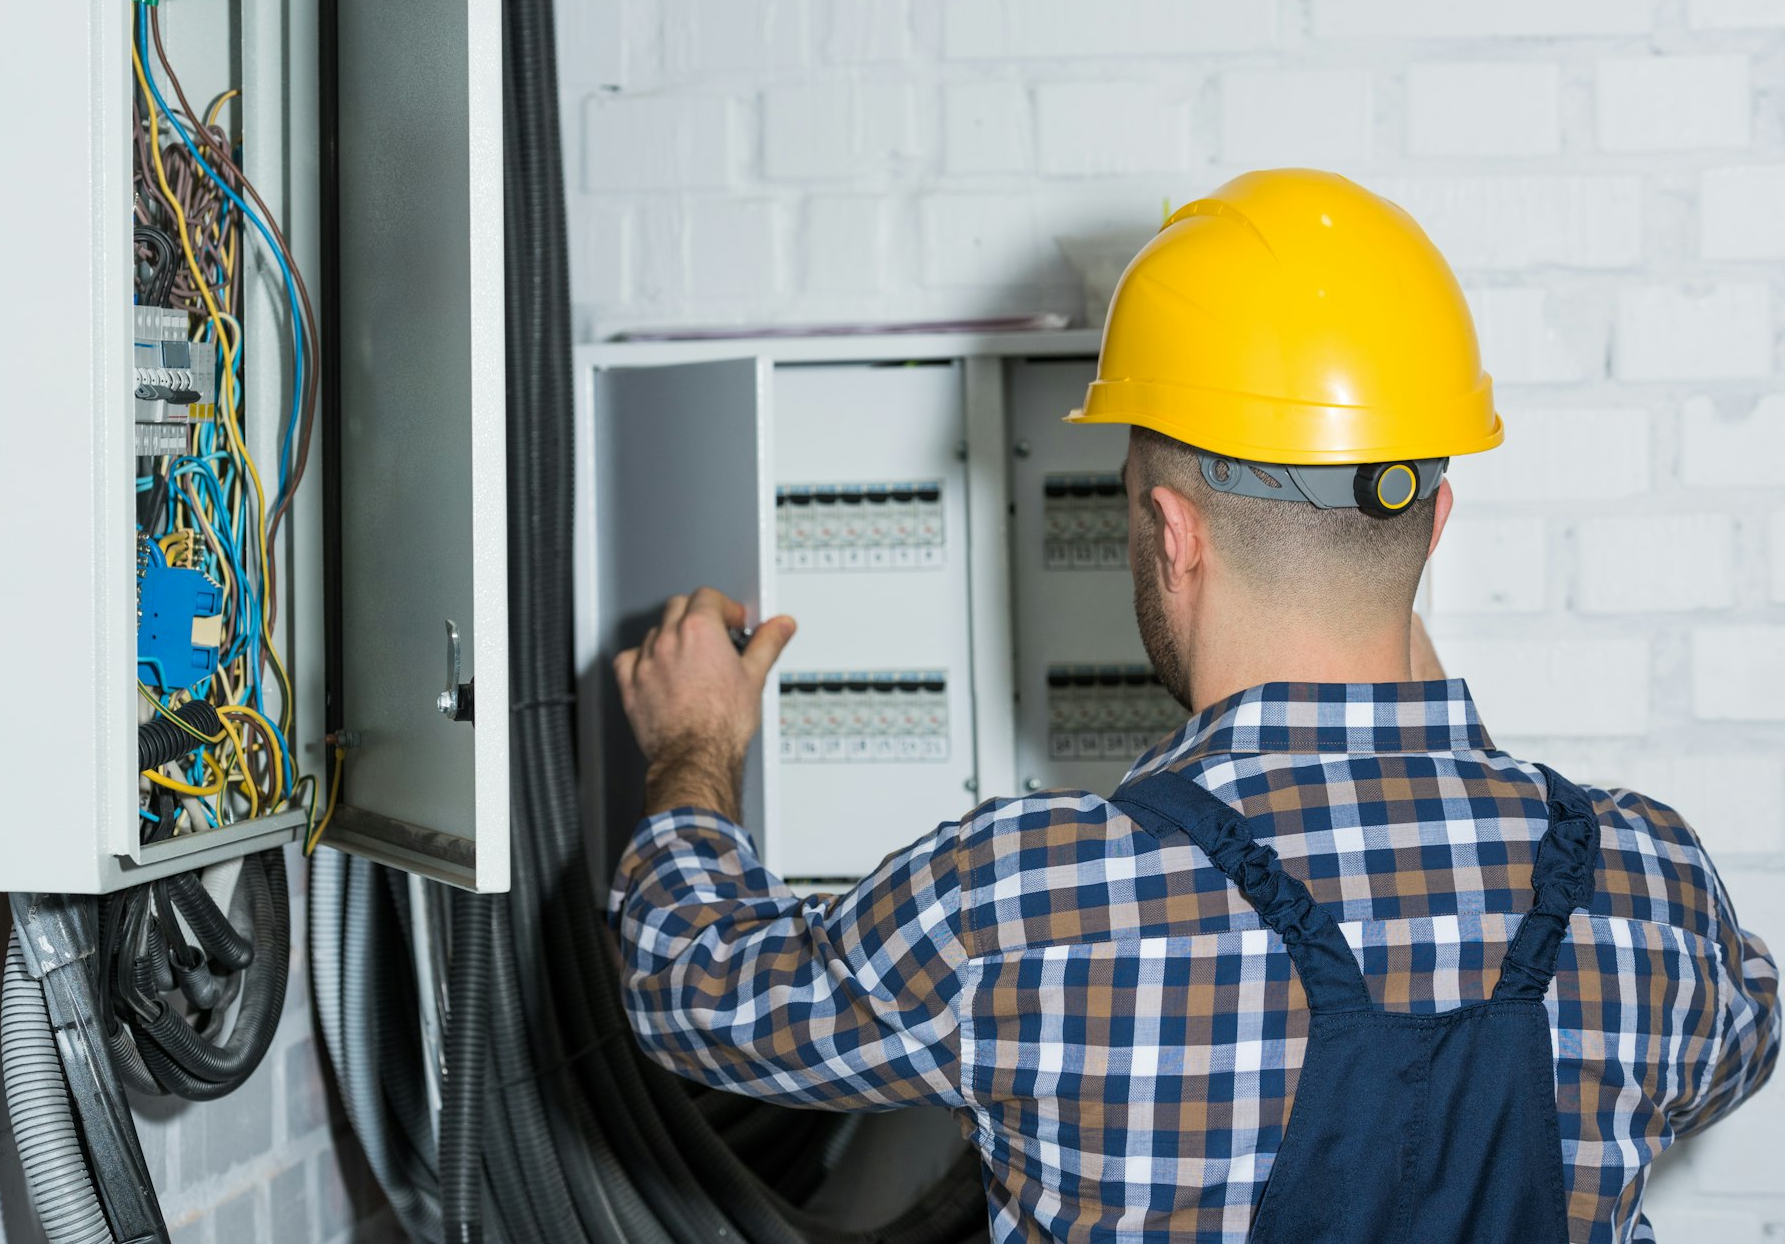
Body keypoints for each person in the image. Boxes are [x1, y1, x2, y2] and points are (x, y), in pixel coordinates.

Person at [606, 170, 1780, 1242]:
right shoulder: (1644, 885)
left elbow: (693, 989)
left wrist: (692, 744)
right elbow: (1743, 1043)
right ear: (1433, 522)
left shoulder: (1025, 905)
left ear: (1170, 536)